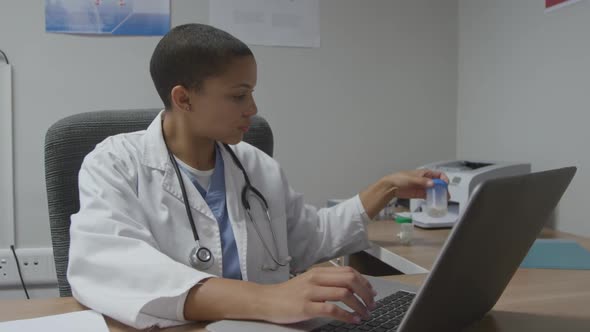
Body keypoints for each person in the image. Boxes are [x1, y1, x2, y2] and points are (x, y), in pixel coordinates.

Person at [67, 23, 448, 329]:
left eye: (251, 93)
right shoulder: (115, 163)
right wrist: (268, 300)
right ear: (183, 99)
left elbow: (309, 239)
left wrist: (387, 188)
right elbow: (113, 267)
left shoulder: (254, 165)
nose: (253, 108)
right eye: (238, 95)